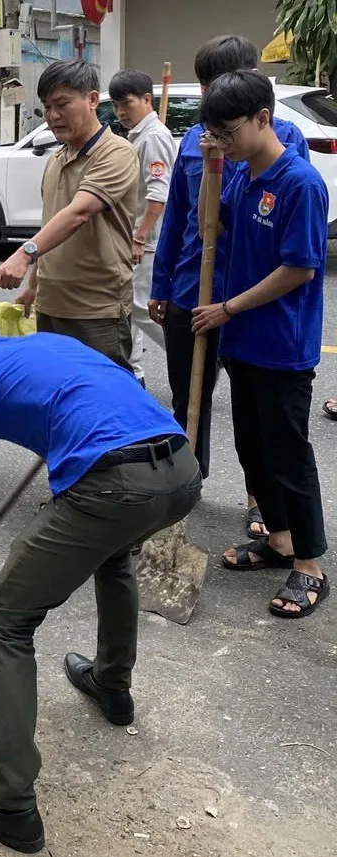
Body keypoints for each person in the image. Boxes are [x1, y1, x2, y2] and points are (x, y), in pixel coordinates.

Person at [0, 306, 201, 853]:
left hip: (116, 482)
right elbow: (97, 399)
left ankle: (10, 805)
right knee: (113, 556)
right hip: (181, 470)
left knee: (4, 620)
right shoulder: (51, 346)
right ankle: (112, 687)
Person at [152, 35, 309, 538]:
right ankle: (186, 486)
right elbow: (184, 218)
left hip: (247, 299)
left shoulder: (280, 148)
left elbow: (289, 250)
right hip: (192, 289)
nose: (206, 103)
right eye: (203, 89)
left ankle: (266, 507)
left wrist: (233, 304)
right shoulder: (199, 142)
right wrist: (161, 283)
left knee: (266, 423)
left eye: (214, 87)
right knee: (194, 398)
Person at [192, 70, 329, 618]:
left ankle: (310, 566)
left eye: (228, 132)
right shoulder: (241, 175)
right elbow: (211, 226)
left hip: (281, 344)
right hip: (242, 341)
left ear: (263, 118)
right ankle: (278, 540)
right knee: (251, 445)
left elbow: (298, 269)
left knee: (288, 454)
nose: (223, 141)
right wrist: (211, 165)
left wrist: (227, 308)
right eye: (215, 133)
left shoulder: (299, 183)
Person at [0, 60, 139, 370]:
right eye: (46, 107)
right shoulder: (56, 160)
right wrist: (34, 285)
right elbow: (52, 226)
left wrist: (24, 253)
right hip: (51, 307)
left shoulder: (116, 152)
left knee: (100, 407)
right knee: (56, 405)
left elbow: (79, 212)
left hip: (97, 310)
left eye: (62, 104)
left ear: (92, 100)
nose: (53, 115)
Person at [109, 68, 177, 386]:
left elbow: (157, 195)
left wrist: (139, 236)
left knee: (141, 306)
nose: (121, 112)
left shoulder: (153, 138)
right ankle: (133, 369)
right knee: (127, 305)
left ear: (147, 100)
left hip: (147, 240)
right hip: (134, 236)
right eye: (117, 105)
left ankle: (191, 352)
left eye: (127, 104)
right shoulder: (138, 134)